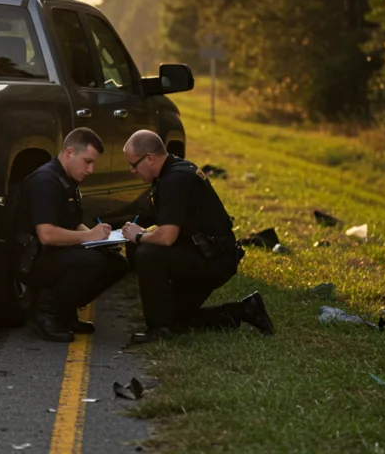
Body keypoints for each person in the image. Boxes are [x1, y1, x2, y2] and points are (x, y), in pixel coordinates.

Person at [119, 130, 274, 344]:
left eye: (133, 165)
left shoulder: (174, 180)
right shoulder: (172, 170)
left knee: (147, 252)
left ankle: (158, 329)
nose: (132, 170)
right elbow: (150, 216)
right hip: (210, 254)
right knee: (176, 318)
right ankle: (245, 310)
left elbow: (166, 237)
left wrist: (138, 236)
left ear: (150, 158)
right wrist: (115, 233)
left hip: (213, 260)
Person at [14, 127, 130, 342]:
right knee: (91, 261)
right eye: (87, 161)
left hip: (53, 253)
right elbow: (47, 235)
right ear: (70, 153)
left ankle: (65, 311)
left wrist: (103, 239)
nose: (91, 170)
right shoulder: (45, 181)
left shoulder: (67, 180)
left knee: (117, 263)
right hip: (32, 259)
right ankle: (44, 312)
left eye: (93, 163)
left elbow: (74, 224)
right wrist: (90, 237)